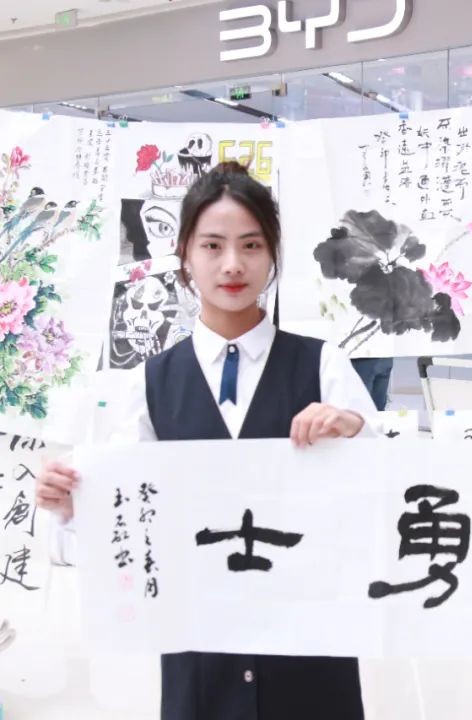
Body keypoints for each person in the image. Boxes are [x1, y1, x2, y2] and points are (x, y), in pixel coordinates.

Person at [35, 162, 379, 720]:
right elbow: (124, 521)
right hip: (201, 665)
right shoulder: (149, 384)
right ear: (185, 255)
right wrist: (76, 504)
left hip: (310, 658)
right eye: (213, 245)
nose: (232, 264)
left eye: (251, 245)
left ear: (273, 254)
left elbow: (390, 495)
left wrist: (355, 433)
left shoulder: (324, 367)